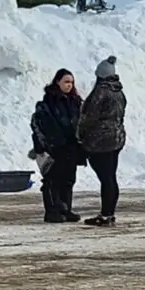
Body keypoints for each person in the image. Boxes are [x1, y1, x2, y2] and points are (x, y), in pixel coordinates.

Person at [78, 56, 127, 227]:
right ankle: (109, 213)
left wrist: (81, 136)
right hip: (117, 139)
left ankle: (106, 214)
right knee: (110, 177)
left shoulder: (100, 92)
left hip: (100, 141)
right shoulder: (119, 91)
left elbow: (88, 116)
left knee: (106, 178)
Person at [30, 68, 84, 223]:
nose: (69, 85)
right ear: (57, 82)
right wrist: (47, 144)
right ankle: (52, 210)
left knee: (68, 179)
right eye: (66, 81)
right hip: (54, 148)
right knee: (52, 179)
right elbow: (43, 124)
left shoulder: (75, 101)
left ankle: (65, 208)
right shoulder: (48, 102)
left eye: (71, 82)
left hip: (71, 147)